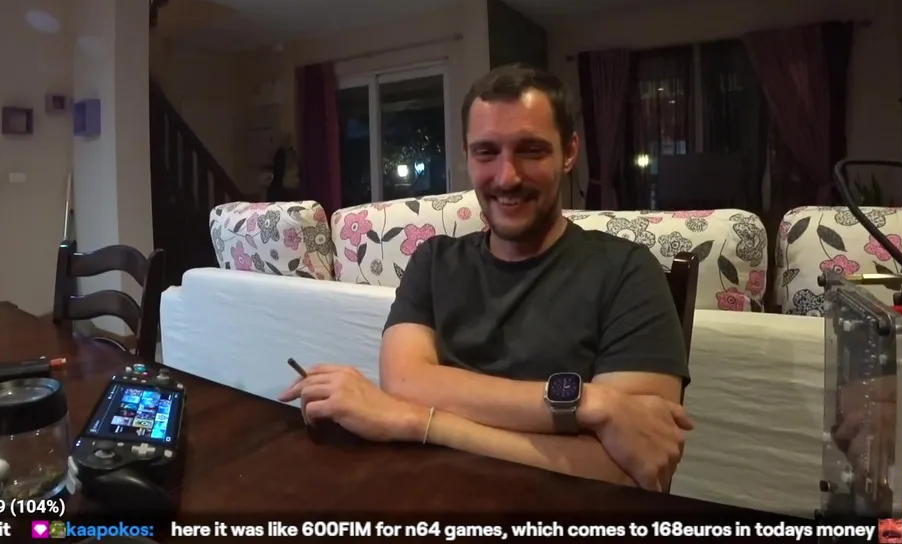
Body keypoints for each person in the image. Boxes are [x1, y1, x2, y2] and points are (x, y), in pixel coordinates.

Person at [279, 64, 693, 491]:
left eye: (531, 150)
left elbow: (626, 471)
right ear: (466, 155)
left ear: (569, 152)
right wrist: (589, 402)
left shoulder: (628, 272)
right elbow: (404, 383)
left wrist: (421, 421)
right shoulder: (433, 262)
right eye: (486, 152)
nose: (507, 177)